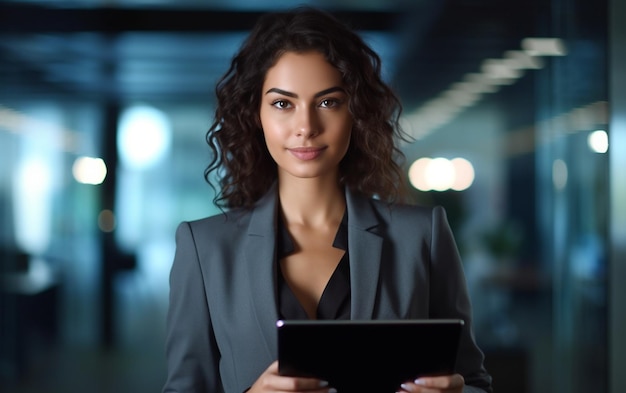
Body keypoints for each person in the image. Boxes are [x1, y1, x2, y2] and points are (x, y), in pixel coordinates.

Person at [163, 6, 493, 393]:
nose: (306, 127)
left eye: (328, 102)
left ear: (356, 112)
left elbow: (474, 383)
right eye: (283, 104)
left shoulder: (422, 236)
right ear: (256, 114)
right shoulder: (205, 249)